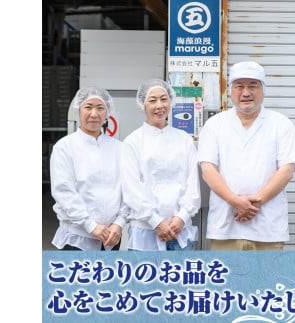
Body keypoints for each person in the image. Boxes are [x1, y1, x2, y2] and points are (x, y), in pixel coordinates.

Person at [197, 61, 295, 250]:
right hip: (226, 225)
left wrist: (254, 203)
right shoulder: (215, 125)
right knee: (227, 279)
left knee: (268, 279)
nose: (246, 93)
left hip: (267, 227)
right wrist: (234, 201)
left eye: (252, 86)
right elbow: (208, 170)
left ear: (263, 89)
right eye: (239, 86)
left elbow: (287, 170)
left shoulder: (281, 124)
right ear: (230, 90)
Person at [120, 79, 201, 251]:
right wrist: (155, 222)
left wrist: (182, 217)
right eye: (152, 100)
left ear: (171, 101)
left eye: (164, 99)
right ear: (143, 105)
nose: (159, 105)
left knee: (181, 277)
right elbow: (131, 189)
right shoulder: (133, 142)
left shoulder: (184, 140)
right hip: (145, 229)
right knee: (145, 277)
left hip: (180, 229)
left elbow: (193, 184)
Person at [49, 86, 128, 251]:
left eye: (100, 108)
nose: (94, 114)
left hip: (111, 238)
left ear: (107, 113)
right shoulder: (65, 147)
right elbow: (64, 192)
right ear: (79, 110)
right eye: (88, 107)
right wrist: (91, 226)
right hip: (77, 239)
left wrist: (119, 223)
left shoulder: (119, 148)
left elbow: (129, 189)